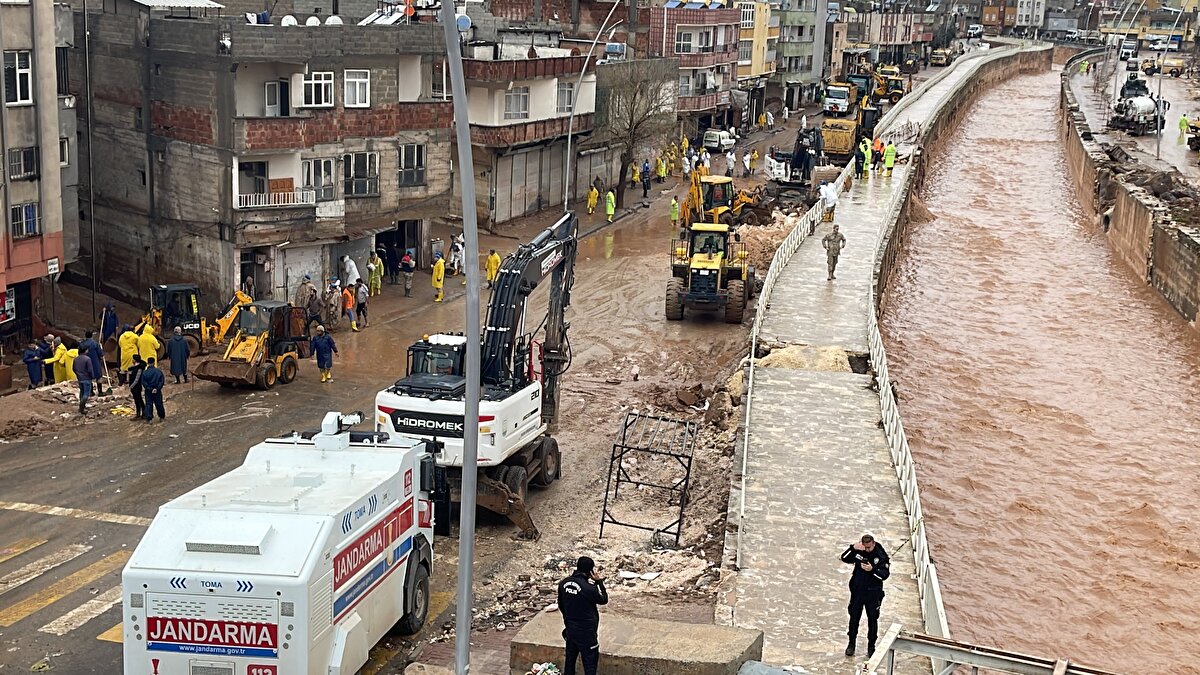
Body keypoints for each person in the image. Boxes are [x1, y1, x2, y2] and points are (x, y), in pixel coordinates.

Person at [841, 533, 890, 657]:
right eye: (865, 547)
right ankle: (851, 643)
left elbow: (884, 575)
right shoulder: (859, 551)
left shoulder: (880, 555)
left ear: (873, 543)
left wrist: (872, 570)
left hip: (873, 593)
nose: (867, 550)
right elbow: (844, 558)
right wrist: (853, 548)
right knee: (854, 618)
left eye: (869, 547)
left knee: (872, 620)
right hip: (858, 592)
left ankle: (871, 646)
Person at [557, 555, 608, 675]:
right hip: (587, 633)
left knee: (569, 663)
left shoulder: (563, 584)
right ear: (590, 571)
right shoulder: (589, 589)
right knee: (590, 664)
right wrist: (599, 582)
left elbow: (561, 605)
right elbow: (603, 599)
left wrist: (569, 621)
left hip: (571, 630)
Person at [141, 357, 166, 422]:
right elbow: (161, 381)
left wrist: (150, 388)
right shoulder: (158, 371)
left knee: (149, 404)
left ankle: (149, 419)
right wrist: (157, 388)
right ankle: (161, 417)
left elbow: (144, 383)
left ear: (147, 363)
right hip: (157, 391)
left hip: (148, 391)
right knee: (159, 404)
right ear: (154, 362)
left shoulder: (145, 373)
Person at [72, 350, 96, 415]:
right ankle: (81, 407)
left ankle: (82, 406)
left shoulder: (76, 359)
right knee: (86, 394)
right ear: (85, 351)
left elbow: (73, 369)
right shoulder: (87, 359)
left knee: (81, 392)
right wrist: (92, 376)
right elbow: (90, 370)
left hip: (80, 379)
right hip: (86, 379)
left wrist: (78, 375)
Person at [127, 354, 146, 419]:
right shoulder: (133, 367)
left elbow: (137, 379)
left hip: (136, 387)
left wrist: (131, 386)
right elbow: (129, 376)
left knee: (139, 400)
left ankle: (142, 413)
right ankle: (141, 413)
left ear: (135, 360)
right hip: (134, 386)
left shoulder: (139, 368)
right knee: (137, 400)